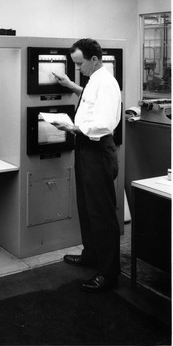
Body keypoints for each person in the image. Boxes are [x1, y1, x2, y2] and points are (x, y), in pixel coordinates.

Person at [51, 38, 122, 293]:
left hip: (97, 149)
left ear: (94, 59)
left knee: (101, 212)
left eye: (80, 64)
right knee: (86, 205)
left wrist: (71, 127)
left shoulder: (108, 84)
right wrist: (72, 86)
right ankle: (91, 255)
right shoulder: (94, 81)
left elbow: (103, 123)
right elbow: (91, 101)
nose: (77, 68)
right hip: (85, 148)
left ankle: (108, 273)